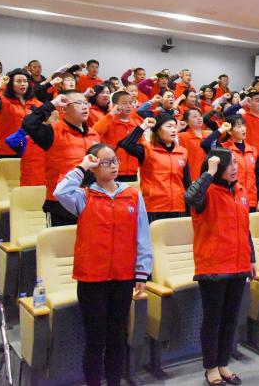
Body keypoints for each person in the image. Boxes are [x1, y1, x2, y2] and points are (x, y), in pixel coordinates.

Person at [54, 144, 151, 386]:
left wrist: (142, 272)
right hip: (92, 279)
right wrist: (82, 166)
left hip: (123, 277)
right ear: (95, 166)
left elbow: (143, 235)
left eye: (115, 160)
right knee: (95, 339)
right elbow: (60, 191)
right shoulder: (83, 196)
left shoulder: (132, 195)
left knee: (117, 336)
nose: (113, 166)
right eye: (106, 162)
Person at [185, 149, 254, 386]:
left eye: (235, 162)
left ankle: (223, 363)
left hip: (239, 264)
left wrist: (251, 258)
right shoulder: (206, 192)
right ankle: (211, 367)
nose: (234, 167)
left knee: (230, 318)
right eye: (229, 164)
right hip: (213, 266)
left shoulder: (240, 191)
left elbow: (245, 228)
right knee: (213, 320)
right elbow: (190, 198)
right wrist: (209, 172)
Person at [23, 91, 102, 226]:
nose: (85, 107)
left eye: (86, 103)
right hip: (60, 203)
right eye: (79, 103)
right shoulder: (53, 132)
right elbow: (29, 123)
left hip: (88, 199)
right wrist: (53, 104)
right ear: (64, 108)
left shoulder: (93, 134)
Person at [119, 113, 190, 222]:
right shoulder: (147, 150)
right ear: (157, 130)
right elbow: (126, 144)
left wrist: (189, 211)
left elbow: (187, 183)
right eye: (169, 126)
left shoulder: (182, 152)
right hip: (154, 207)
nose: (173, 130)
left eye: (175, 127)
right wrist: (144, 126)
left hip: (179, 206)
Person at [201, 115, 259, 212]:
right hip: (230, 199)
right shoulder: (223, 149)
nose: (243, 129)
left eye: (244, 125)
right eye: (239, 126)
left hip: (251, 201)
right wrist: (221, 130)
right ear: (230, 131)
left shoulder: (253, 150)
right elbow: (205, 144)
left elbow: (258, 178)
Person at [0, 68, 41, 160]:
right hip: (7, 151)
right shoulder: (3, 101)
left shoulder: (37, 103)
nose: (23, 84)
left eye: (25, 81)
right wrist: (0, 84)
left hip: (31, 152)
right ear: (11, 84)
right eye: (18, 81)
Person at [92, 90, 141, 183]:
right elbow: (96, 130)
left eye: (130, 103)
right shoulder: (109, 121)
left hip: (132, 171)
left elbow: (142, 146)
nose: (128, 106)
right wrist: (111, 113)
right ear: (115, 105)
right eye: (124, 103)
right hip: (112, 170)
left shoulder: (135, 124)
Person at [178, 108, 209, 182]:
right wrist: (178, 128)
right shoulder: (182, 136)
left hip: (210, 179)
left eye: (200, 116)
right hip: (193, 179)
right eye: (195, 116)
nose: (199, 118)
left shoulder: (209, 135)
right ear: (186, 121)